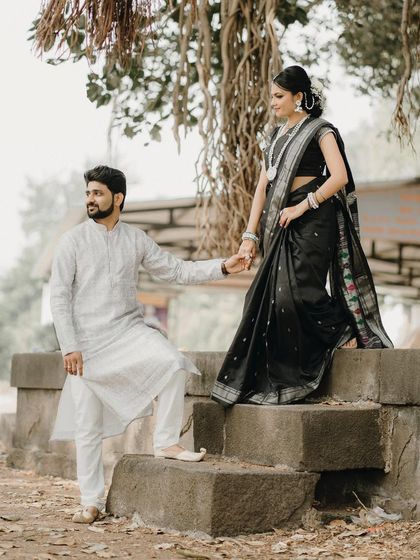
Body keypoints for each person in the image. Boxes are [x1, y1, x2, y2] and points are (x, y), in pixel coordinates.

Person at [50, 165, 245, 523]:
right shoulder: (72, 241)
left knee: (172, 363)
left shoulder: (136, 239)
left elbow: (177, 270)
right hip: (86, 344)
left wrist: (223, 267)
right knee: (87, 425)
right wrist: (69, 345)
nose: (90, 199)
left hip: (128, 331)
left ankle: (166, 441)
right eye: (88, 193)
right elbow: (59, 296)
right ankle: (91, 501)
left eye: (97, 193)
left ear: (118, 198)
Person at [211, 65, 393, 407]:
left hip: (314, 219)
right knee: (263, 299)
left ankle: (342, 329)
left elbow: (338, 177)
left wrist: (302, 206)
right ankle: (284, 378)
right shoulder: (275, 136)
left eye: (279, 96)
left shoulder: (320, 130)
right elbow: (262, 188)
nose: (273, 102)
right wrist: (249, 235)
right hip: (281, 220)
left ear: (299, 96)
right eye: (271, 96)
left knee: (301, 293)